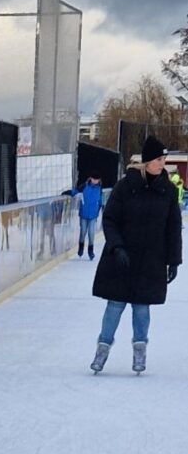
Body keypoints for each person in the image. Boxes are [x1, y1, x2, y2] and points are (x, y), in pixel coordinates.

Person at [90, 136, 182, 374]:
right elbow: (110, 219)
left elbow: (173, 228)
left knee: (142, 308)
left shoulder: (168, 191)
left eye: (164, 159)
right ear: (148, 160)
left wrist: (174, 260)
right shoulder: (126, 185)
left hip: (152, 259)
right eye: (159, 159)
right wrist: (117, 246)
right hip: (122, 258)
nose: (162, 163)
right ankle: (102, 350)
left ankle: (139, 352)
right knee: (115, 305)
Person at [65, 173, 103, 260]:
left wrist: (100, 208)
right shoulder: (84, 186)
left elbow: (100, 200)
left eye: (97, 179)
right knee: (83, 232)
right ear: (91, 178)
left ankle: (91, 251)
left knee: (91, 233)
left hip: (93, 215)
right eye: (94, 179)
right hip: (84, 214)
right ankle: (81, 248)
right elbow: (76, 191)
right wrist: (69, 192)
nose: (95, 181)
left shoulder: (99, 189)